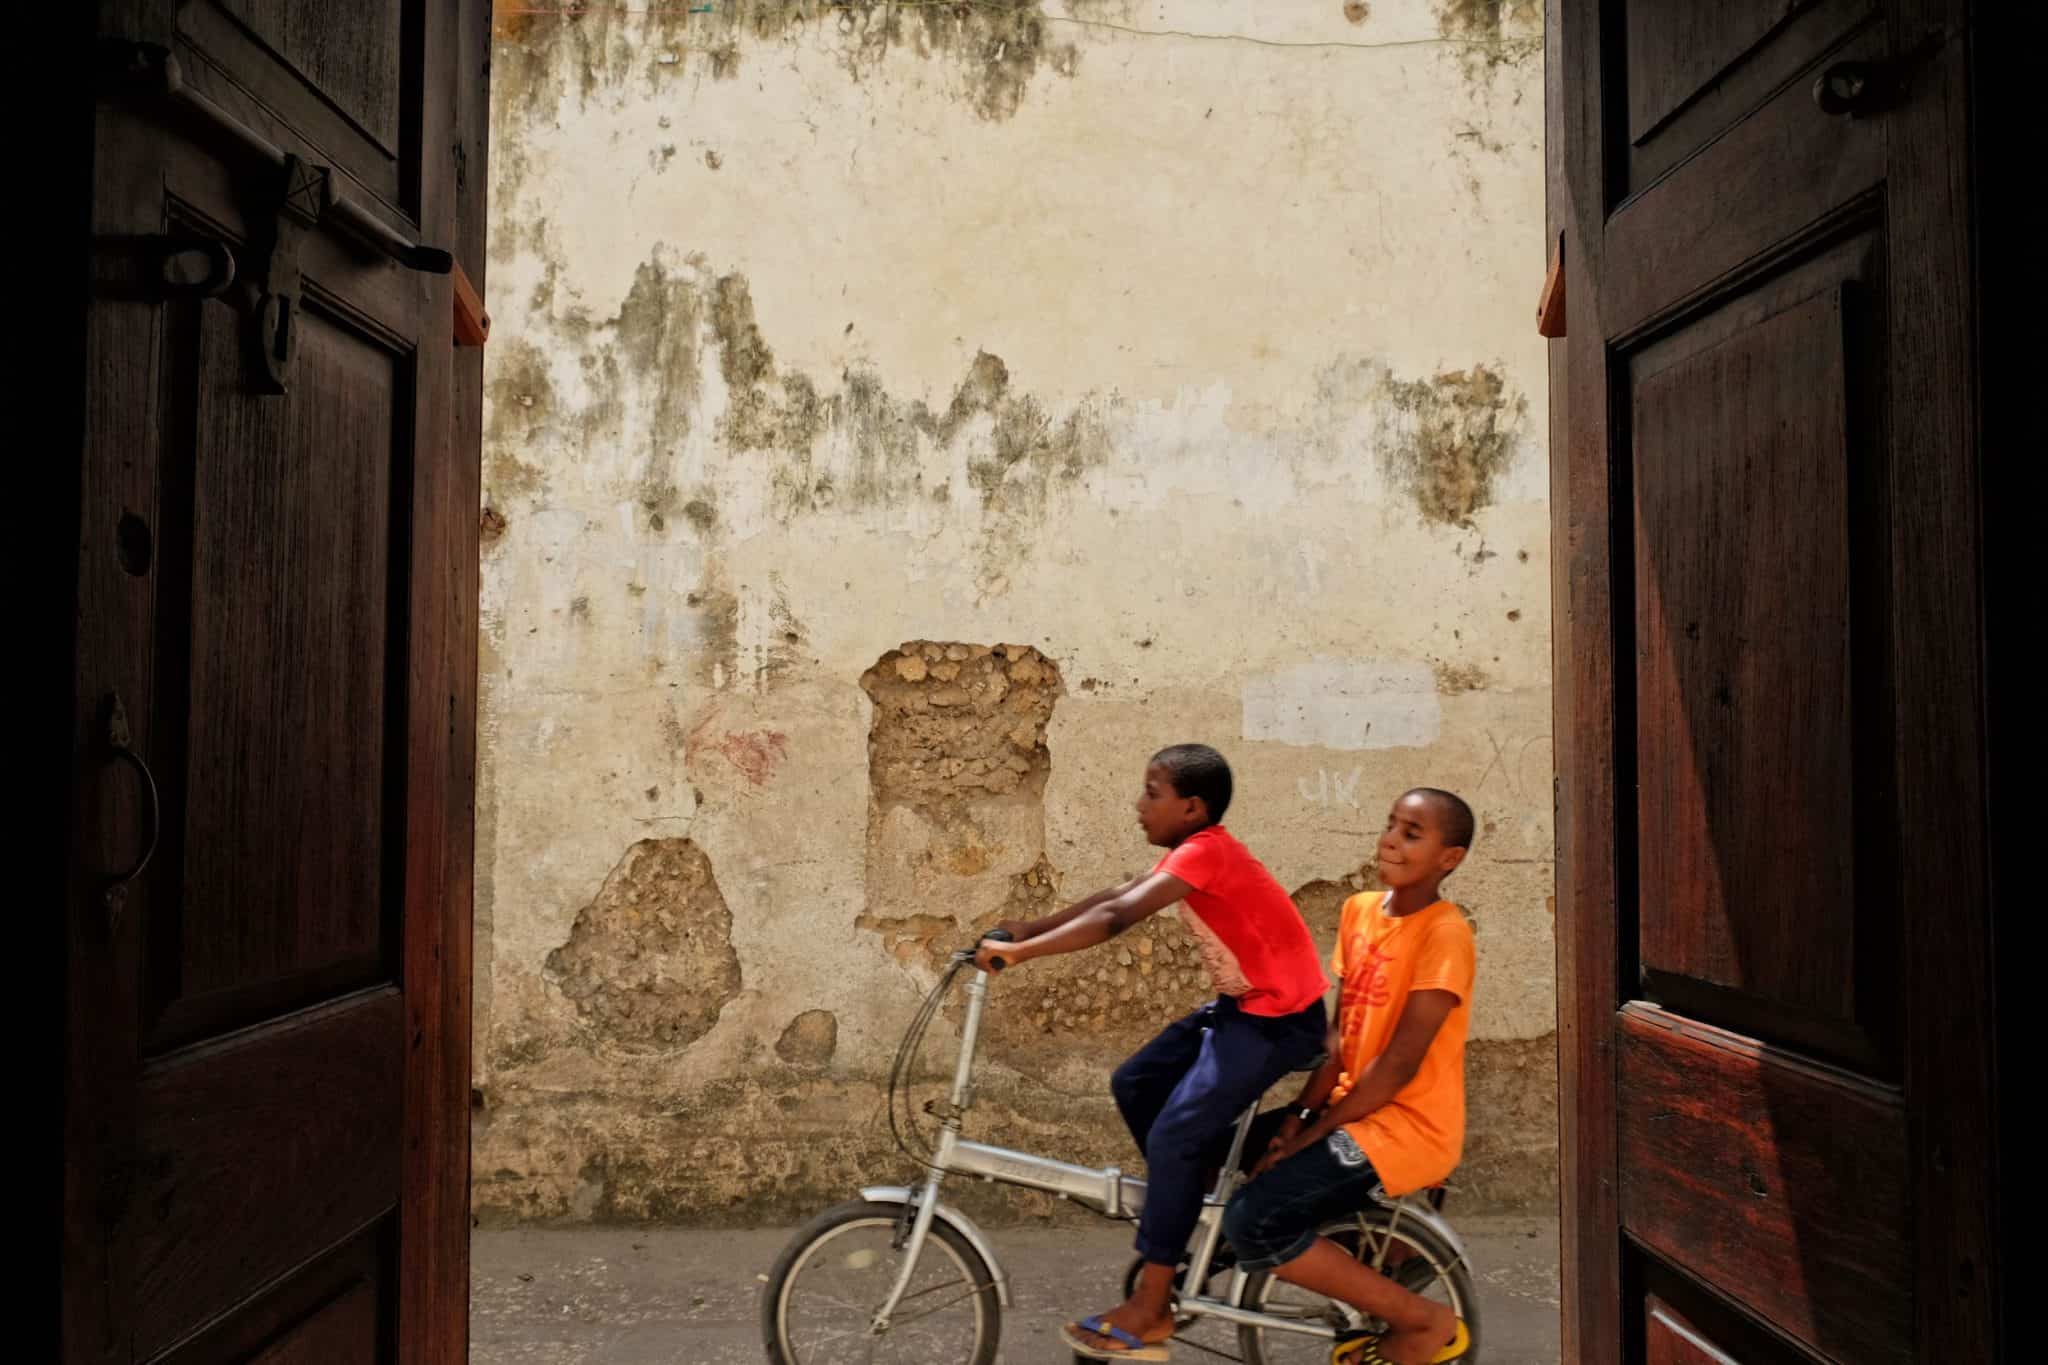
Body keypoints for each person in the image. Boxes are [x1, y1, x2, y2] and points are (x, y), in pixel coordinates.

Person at [973, 743, 1328, 1361]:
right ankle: (1202, 1205)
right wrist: (1028, 929)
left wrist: (1024, 956)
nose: (1140, 806)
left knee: (1175, 1136)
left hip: (1281, 1019)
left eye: (1152, 793)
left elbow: (1117, 917)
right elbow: (1117, 892)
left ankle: (1152, 1305)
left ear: (1192, 808)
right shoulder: (1187, 852)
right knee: (1136, 1084)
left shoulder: (1208, 852)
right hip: (1242, 1005)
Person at [1220, 788, 1480, 1365]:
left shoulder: (1445, 935)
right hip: (1353, 1113)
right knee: (1216, 1141)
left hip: (1406, 1127)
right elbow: (1340, 1042)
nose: (1391, 839)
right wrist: (1297, 1118)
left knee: (1253, 1220)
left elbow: (1396, 1068)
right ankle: (1363, 1263)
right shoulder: (1360, 911)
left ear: (1450, 858)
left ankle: (1424, 1322)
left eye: (1413, 833)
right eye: (1391, 825)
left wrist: (1312, 1137)